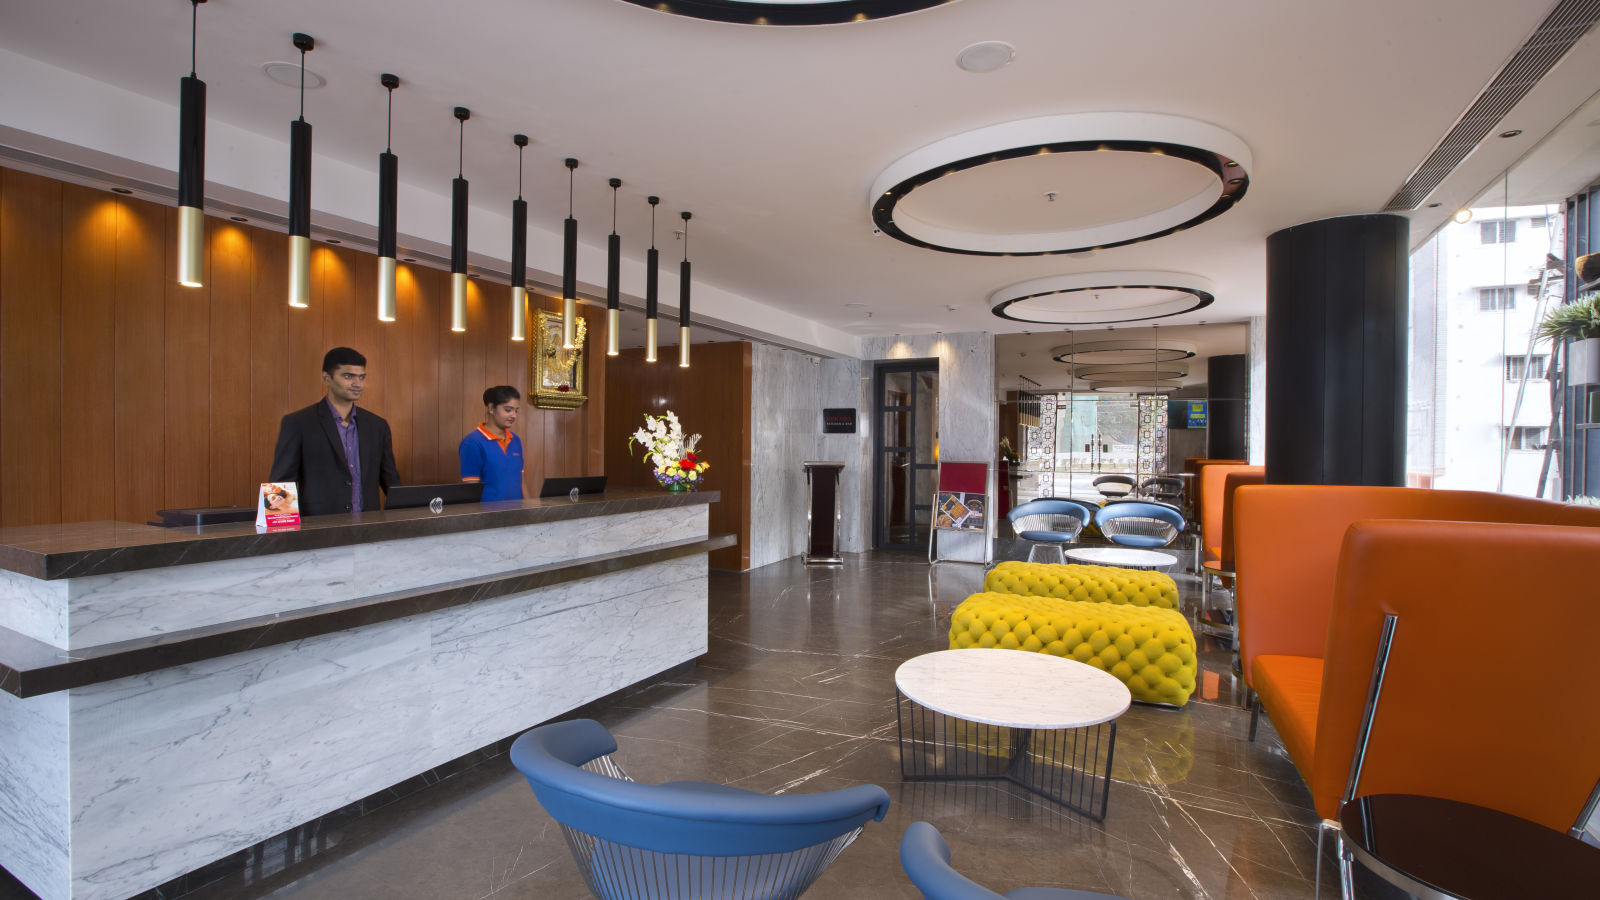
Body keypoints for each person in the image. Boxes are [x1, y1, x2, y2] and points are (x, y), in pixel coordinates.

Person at [269, 347, 401, 516]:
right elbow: (281, 484)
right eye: (348, 376)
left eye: (361, 377)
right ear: (326, 378)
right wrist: (282, 535)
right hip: (319, 531)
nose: (357, 384)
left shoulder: (377, 426)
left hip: (369, 530)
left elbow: (391, 481)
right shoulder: (298, 423)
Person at [459, 385, 525, 501]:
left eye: (516, 411)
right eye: (508, 410)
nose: (514, 415)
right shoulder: (472, 443)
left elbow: (521, 483)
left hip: (517, 515)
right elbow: (471, 492)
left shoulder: (516, 440)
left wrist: (529, 512)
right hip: (488, 517)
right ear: (491, 408)